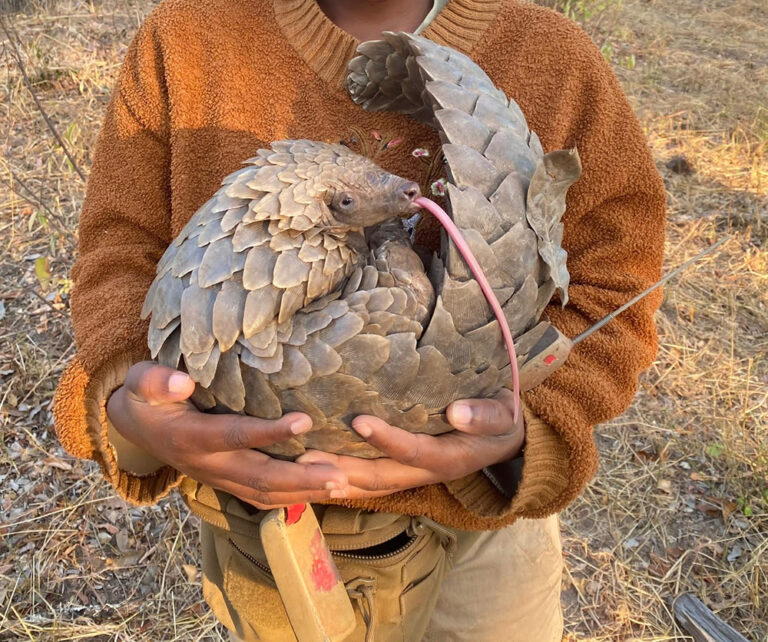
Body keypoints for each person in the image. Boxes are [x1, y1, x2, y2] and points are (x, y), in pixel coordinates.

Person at [52, 0, 666, 640]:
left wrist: (533, 427)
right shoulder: (186, 36)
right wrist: (130, 396)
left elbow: (617, 276)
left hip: (475, 526)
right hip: (266, 532)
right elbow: (118, 249)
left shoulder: (555, 61)